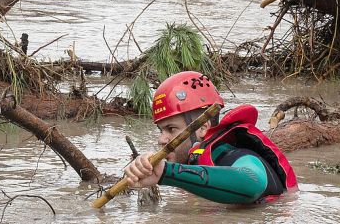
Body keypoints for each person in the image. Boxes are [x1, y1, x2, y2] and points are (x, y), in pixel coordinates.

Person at [124, 71, 298, 204]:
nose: (161, 140)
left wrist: (166, 172)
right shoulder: (195, 162)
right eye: (161, 130)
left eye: (171, 129)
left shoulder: (232, 154)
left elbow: (253, 183)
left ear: (202, 128)